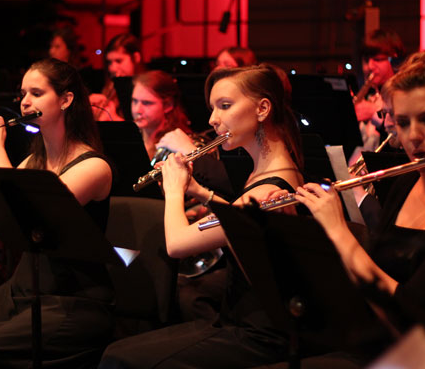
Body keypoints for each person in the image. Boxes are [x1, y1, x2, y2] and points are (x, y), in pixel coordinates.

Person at [99, 63, 305, 368]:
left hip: (256, 333)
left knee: (118, 359)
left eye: (225, 106)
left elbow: (177, 245)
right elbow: (239, 218)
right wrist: (199, 190)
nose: (212, 119)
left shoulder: (267, 187)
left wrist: (173, 189)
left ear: (263, 108)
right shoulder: (273, 171)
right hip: (238, 319)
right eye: (212, 108)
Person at [0, 58, 115, 368]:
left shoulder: (93, 167)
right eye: (23, 93)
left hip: (74, 301)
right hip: (24, 289)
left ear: (66, 99)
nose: (25, 102)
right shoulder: (33, 161)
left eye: (36, 93)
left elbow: (27, 220)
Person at [288, 51, 425, 366]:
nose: (414, 137)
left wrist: (338, 231)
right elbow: (369, 280)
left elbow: (410, 312)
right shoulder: (404, 184)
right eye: (403, 123)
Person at [351, 29, 406, 165]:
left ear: (394, 59)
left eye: (377, 59)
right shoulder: (372, 96)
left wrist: (372, 114)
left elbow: (402, 143)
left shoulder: (405, 96)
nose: (370, 66)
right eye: (367, 60)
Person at [131, 70, 191, 160]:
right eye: (135, 101)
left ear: (168, 105)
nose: (137, 110)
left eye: (146, 103)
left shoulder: (176, 145)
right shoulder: (130, 139)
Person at [90, 33, 143, 121]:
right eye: (109, 62)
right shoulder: (111, 86)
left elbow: (144, 130)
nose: (112, 68)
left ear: (136, 58)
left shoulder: (147, 89)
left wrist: (113, 118)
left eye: (118, 61)